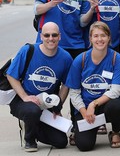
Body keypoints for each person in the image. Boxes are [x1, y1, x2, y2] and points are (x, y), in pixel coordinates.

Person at [6, 22, 73, 152]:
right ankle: (30, 140)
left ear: (59, 36)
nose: (50, 38)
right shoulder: (28, 51)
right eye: (47, 35)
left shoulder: (65, 58)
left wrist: (57, 105)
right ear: (41, 36)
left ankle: (30, 124)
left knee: (61, 142)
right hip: (23, 101)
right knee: (32, 111)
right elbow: (11, 76)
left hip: (46, 103)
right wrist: (25, 97)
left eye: (54, 35)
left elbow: (66, 84)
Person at [66, 21, 120, 151]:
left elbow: (115, 91)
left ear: (109, 37)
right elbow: (74, 92)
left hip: (105, 105)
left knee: (116, 105)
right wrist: (84, 111)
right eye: (96, 36)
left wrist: (94, 104)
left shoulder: (116, 58)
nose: (100, 39)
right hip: (85, 108)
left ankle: (115, 132)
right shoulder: (80, 60)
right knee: (84, 146)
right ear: (90, 39)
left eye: (103, 35)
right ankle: (82, 128)